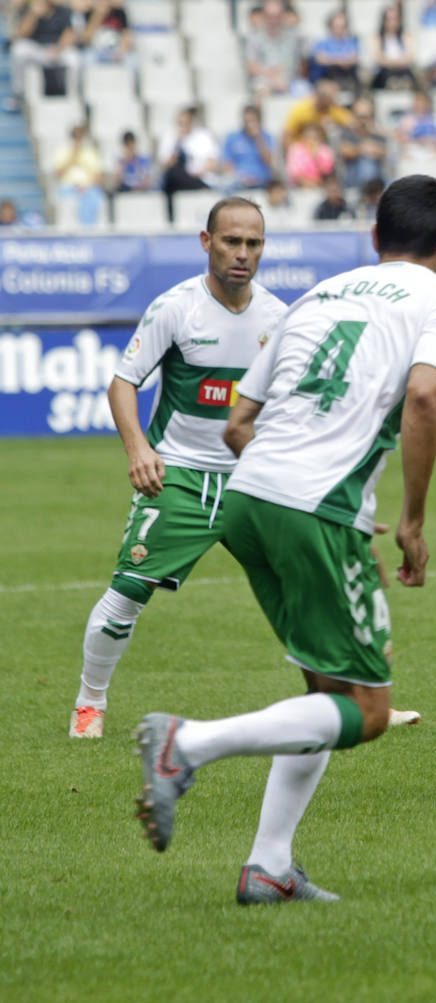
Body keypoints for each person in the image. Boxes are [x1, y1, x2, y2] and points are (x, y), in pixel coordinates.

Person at [132, 175, 436, 904]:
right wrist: (410, 518)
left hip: (249, 496)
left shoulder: (320, 294)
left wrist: (311, 486)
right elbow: (424, 394)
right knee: (370, 709)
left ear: (374, 238)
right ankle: (184, 744)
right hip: (313, 506)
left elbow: (238, 423)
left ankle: (269, 866)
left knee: (324, 686)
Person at [68, 198, 289, 739]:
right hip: (181, 476)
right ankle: (89, 704)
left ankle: (356, 700)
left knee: (310, 587)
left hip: (249, 481)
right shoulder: (176, 307)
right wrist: (139, 450)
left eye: (253, 244)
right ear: (206, 241)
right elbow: (124, 382)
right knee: (128, 593)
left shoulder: (279, 318)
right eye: (231, 241)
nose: (242, 254)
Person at [222, 105, 277, 190]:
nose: (249, 124)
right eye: (246, 121)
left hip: (262, 181)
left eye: (252, 120)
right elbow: (227, 164)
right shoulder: (232, 137)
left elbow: (269, 162)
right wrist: (239, 177)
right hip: (239, 182)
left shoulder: (267, 137)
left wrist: (258, 138)